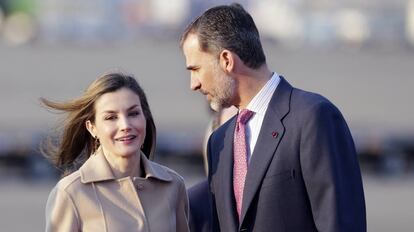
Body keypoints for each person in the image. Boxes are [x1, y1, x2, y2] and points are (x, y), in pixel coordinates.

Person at [180, 3, 366, 232]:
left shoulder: (313, 118)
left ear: (226, 60)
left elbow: (341, 224)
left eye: (195, 69)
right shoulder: (219, 140)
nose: (193, 84)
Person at [42, 72, 189, 232]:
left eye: (133, 114)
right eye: (111, 117)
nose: (125, 125)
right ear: (92, 128)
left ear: (145, 117)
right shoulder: (70, 193)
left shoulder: (173, 186)